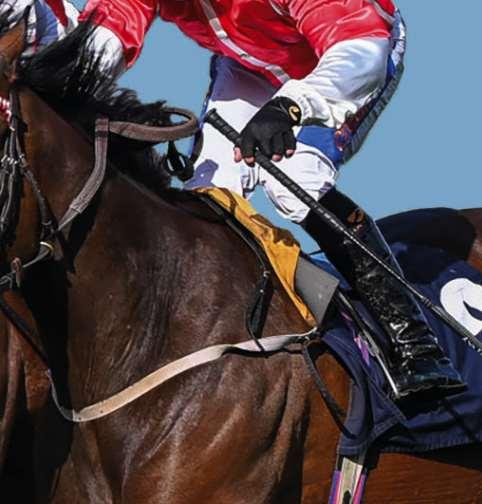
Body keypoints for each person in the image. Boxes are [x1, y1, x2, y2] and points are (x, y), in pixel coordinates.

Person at [10, 0, 466, 398]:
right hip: (251, 66)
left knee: (295, 180)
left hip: (352, 50)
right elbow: (105, 37)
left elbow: (361, 46)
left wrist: (292, 106)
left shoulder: (353, 43)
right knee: (209, 191)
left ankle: (414, 341)